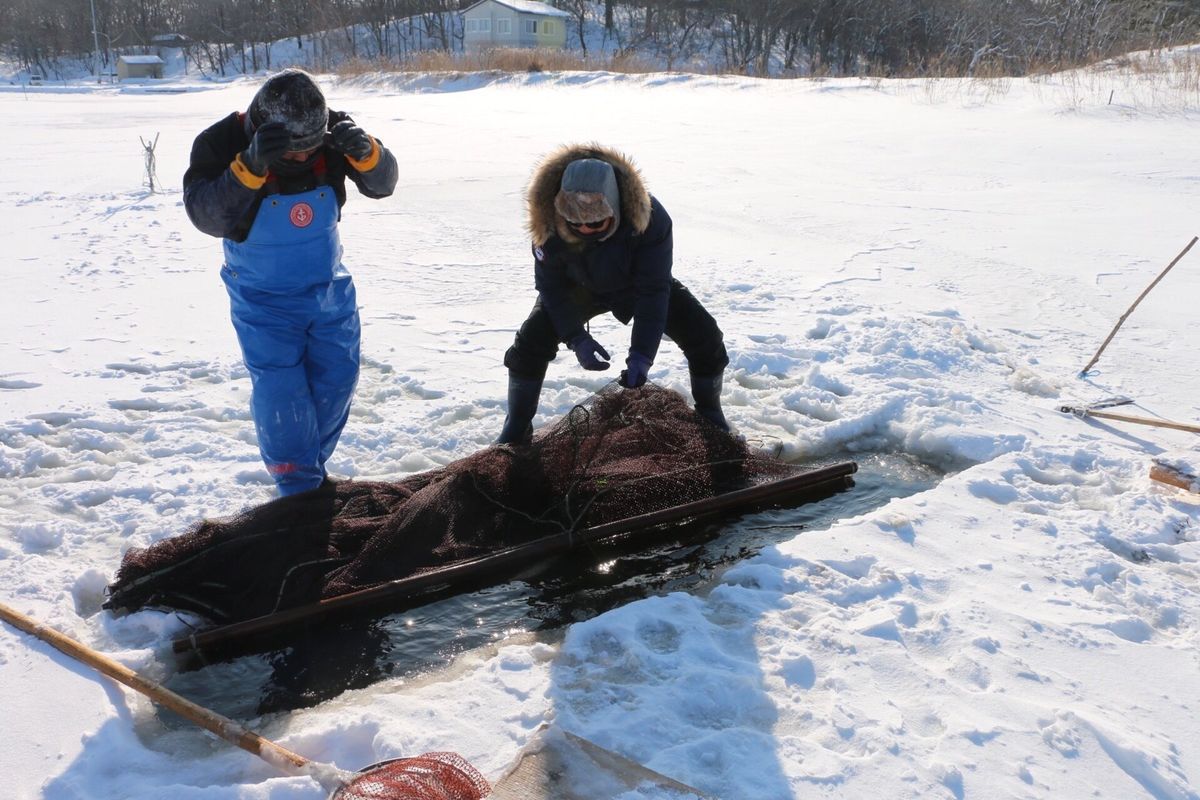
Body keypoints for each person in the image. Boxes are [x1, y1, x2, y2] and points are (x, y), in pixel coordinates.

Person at [183, 68, 398, 495]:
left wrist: (370, 154)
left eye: (309, 151)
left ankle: (306, 469)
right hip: (262, 296)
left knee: (338, 379)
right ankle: (298, 487)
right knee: (282, 391)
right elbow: (207, 216)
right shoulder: (219, 142)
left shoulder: (333, 130)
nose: (302, 160)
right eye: (292, 154)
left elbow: (384, 184)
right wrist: (248, 168)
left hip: (328, 286)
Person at [498, 143, 730, 444]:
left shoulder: (649, 218)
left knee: (706, 337)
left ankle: (711, 413)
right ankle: (516, 427)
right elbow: (551, 289)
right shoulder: (546, 225)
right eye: (575, 223)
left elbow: (653, 289)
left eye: (595, 222)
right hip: (576, 288)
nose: (585, 229)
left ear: (616, 207)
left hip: (636, 285)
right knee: (529, 345)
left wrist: (642, 356)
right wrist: (576, 338)